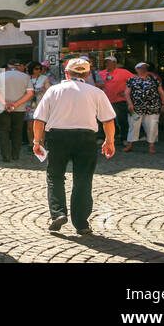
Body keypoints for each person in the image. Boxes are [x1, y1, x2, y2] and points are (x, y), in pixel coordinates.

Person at [31, 57, 116, 235]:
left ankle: (58, 213)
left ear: (67, 73)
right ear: (87, 74)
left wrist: (37, 141)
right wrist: (110, 141)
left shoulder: (54, 90)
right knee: (83, 179)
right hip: (86, 138)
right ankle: (81, 223)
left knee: (55, 176)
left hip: (58, 137)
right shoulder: (96, 92)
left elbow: (39, 120)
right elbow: (108, 121)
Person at [0, 61, 34, 162]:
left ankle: (5, 156)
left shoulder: (1, 76)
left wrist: (5, 103)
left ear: (8, 66)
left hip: (3, 108)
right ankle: (15, 155)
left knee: (3, 131)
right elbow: (30, 93)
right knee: (17, 131)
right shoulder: (25, 77)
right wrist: (16, 104)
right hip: (19, 108)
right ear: (18, 66)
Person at [123, 62, 164, 154]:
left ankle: (151, 146)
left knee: (152, 126)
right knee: (133, 126)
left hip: (152, 107)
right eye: (141, 68)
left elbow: (161, 92)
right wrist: (130, 104)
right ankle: (129, 145)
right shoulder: (132, 80)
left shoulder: (154, 79)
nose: (143, 70)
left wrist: (163, 104)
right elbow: (126, 93)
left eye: (145, 68)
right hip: (136, 107)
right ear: (136, 69)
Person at [96, 55, 132, 140]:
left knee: (122, 120)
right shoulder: (100, 73)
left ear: (115, 63)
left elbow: (135, 81)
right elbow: (96, 84)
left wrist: (127, 91)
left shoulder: (123, 72)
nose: (107, 64)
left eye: (109, 62)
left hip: (119, 101)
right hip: (104, 101)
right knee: (103, 120)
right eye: (106, 62)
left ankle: (124, 138)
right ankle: (103, 137)